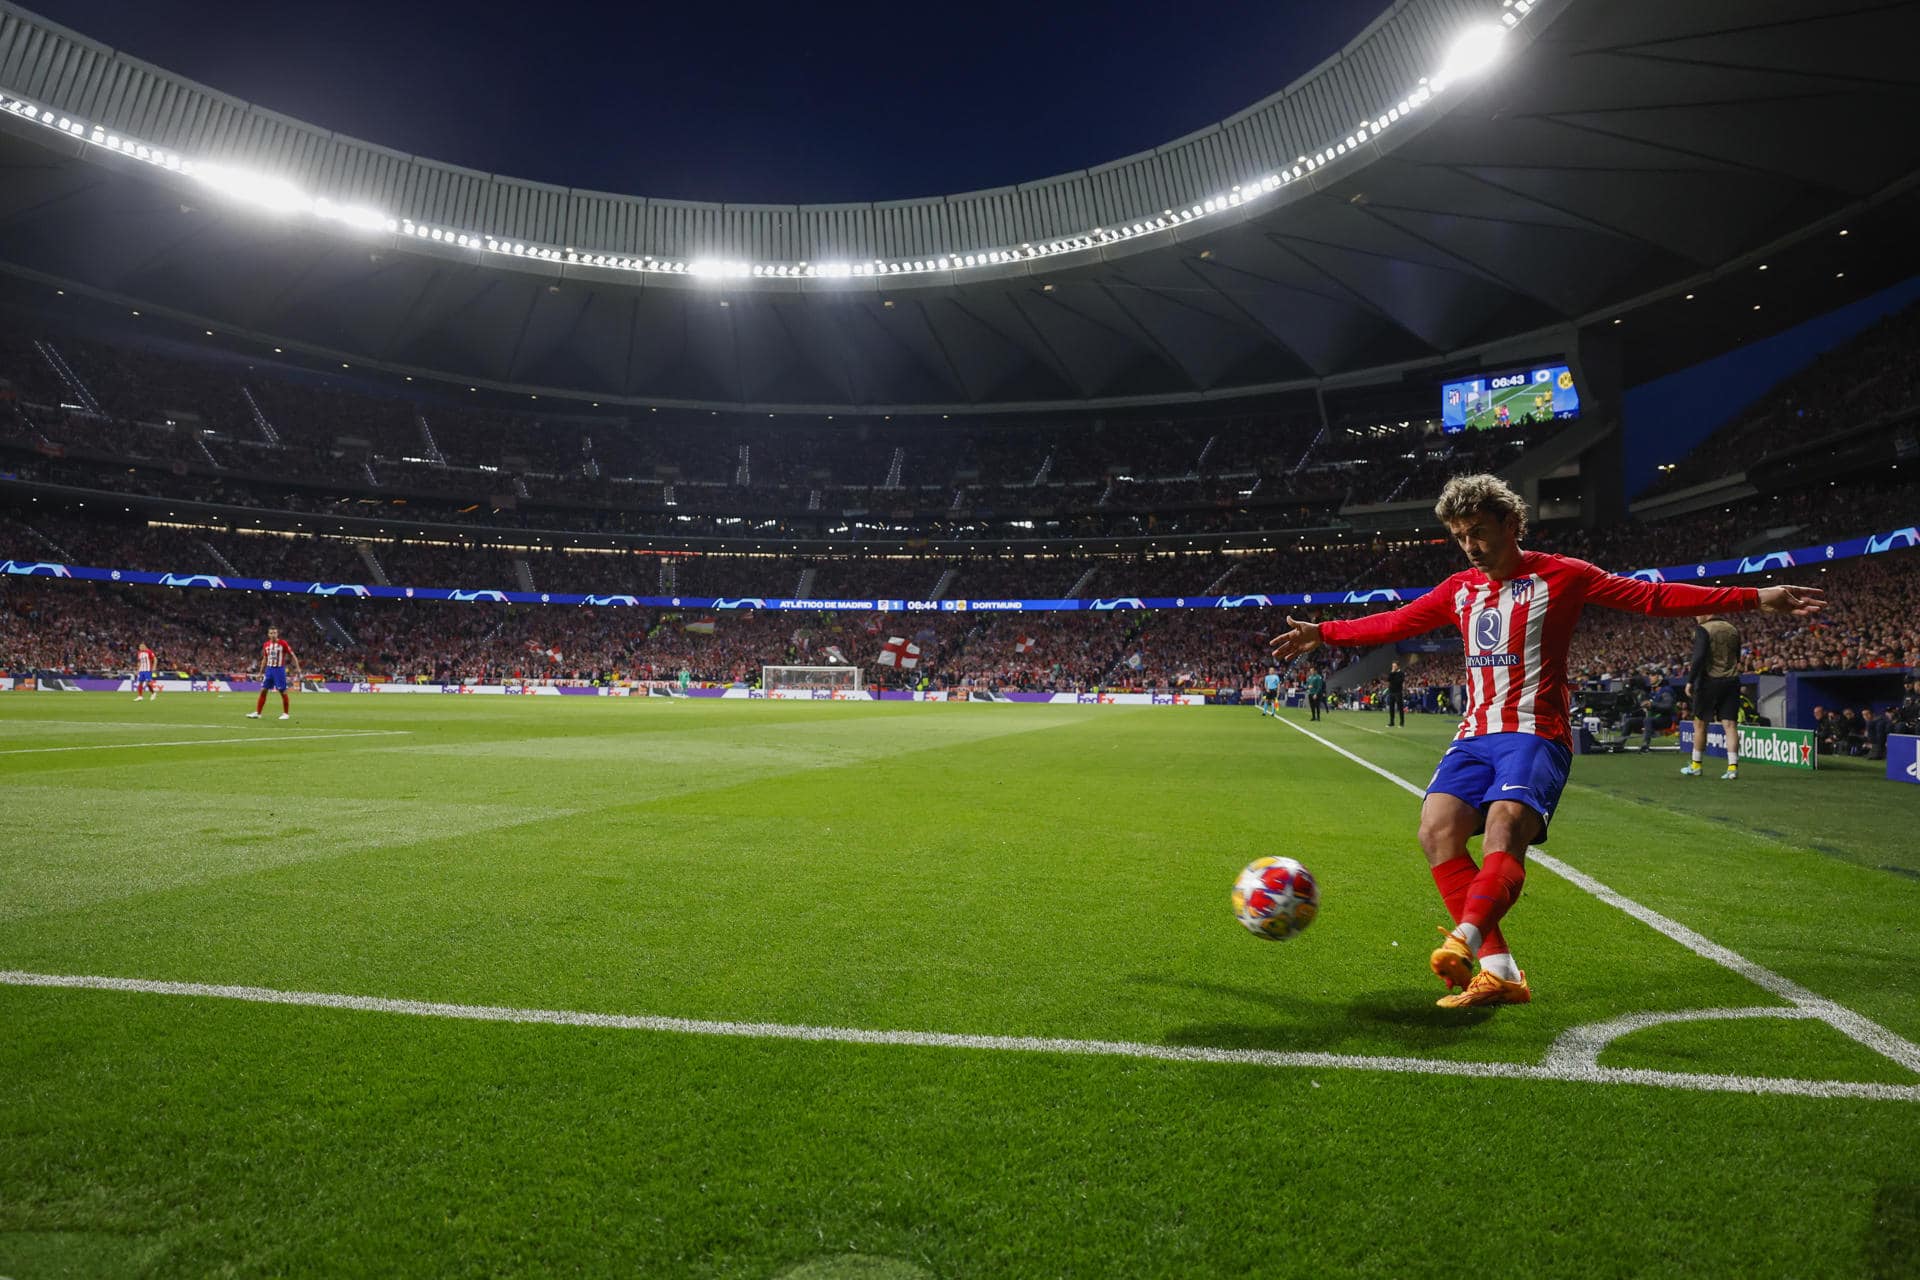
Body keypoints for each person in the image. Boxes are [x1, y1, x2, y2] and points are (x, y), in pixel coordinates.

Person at [1270, 474, 1823, 1009]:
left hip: (1536, 730)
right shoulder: (1459, 590)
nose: (1470, 546)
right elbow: (1396, 623)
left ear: (1511, 522)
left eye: (1479, 531)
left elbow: (1652, 598)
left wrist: (1756, 596)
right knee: (1436, 831)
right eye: (1460, 536)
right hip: (1475, 733)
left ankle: (1464, 940)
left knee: (1506, 825)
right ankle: (1502, 974)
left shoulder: (1564, 575)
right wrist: (1325, 632)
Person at [1682, 613, 1744, 780]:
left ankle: (1696, 765)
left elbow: (1699, 656)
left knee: (1700, 724)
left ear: (1707, 613)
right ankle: (1732, 768)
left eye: (1698, 614)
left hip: (1709, 682)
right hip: (1731, 680)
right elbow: (1737, 656)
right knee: (1730, 725)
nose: (1696, 617)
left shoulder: (1703, 629)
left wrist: (1690, 681)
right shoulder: (1733, 629)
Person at [247, 626, 300, 721]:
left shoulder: (283, 643)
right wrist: (260, 673)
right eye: (271, 633)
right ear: (268, 634)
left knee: (282, 691)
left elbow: (292, 655)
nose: (273, 635)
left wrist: (298, 667)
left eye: (275, 633)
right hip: (269, 670)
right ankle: (258, 713)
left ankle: (286, 713)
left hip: (279, 670)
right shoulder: (266, 645)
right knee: (263, 690)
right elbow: (265, 659)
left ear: (277, 633)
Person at [1386, 661, 1406, 726]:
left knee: (1400, 708)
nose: (1393, 667)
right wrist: (1392, 673)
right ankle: (1392, 722)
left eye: (1394, 666)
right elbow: (1388, 679)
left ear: (1398, 666)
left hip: (1398, 692)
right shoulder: (1392, 673)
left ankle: (1401, 723)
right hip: (1391, 692)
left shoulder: (1401, 673)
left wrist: (1393, 678)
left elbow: (1399, 682)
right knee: (1391, 708)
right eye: (1392, 666)